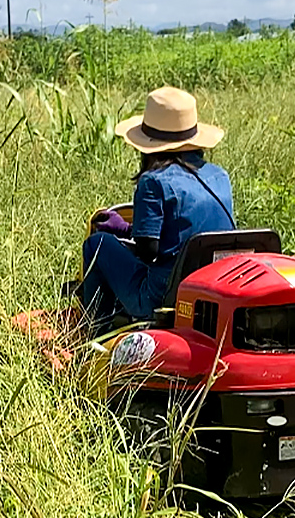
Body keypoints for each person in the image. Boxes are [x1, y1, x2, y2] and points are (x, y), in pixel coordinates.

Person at [82, 86, 235, 334]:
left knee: (97, 244)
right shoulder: (220, 175)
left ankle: (94, 336)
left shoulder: (153, 182)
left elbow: (146, 251)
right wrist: (131, 229)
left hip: (161, 300)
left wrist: (121, 231)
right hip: (212, 293)